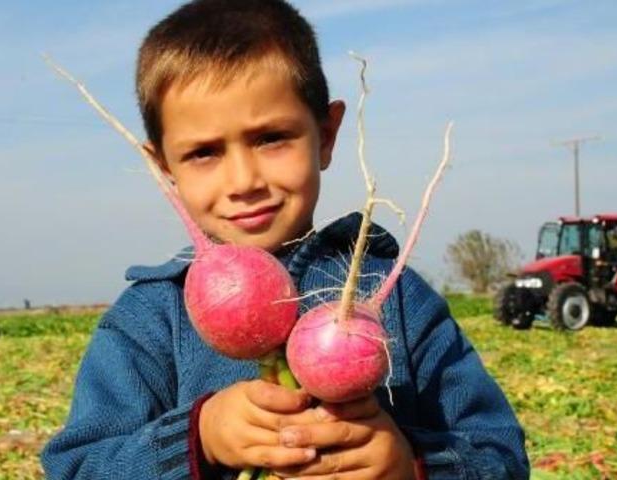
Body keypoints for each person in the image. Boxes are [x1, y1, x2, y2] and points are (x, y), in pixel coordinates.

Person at [41, 1, 530, 478]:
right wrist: (200, 436)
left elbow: (501, 455)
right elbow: (76, 466)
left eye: (271, 138)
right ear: (163, 167)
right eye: (204, 153)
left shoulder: (397, 299)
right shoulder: (149, 318)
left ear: (328, 134)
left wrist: (411, 462)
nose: (244, 180)